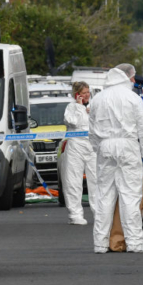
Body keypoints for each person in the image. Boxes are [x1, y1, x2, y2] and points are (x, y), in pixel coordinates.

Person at [89, 64, 143, 254]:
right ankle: (134, 242)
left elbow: (91, 130)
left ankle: (100, 244)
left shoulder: (98, 99)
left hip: (105, 146)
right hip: (128, 146)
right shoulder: (133, 98)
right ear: (128, 78)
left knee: (104, 197)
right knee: (130, 197)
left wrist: (97, 148)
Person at [108, 70, 143, 252]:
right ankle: (134, 240)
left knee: (109, 198)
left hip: (108, 153)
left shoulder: (106, 98)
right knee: (135, 198)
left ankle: (111, 240)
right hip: (132, 153)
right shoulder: (138, 102)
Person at [62, 82, 97, 225]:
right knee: (73, 180)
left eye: (88, 92)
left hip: (92, 145)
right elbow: (72, 122)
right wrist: (78, 107)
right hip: (76, 145)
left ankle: (99, 212)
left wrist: (92, 112)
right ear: (77, 94)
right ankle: (75, 214)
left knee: (96, 180)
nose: (87, 95)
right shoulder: (71, 107)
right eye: (84, 92)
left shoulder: (94, 106)